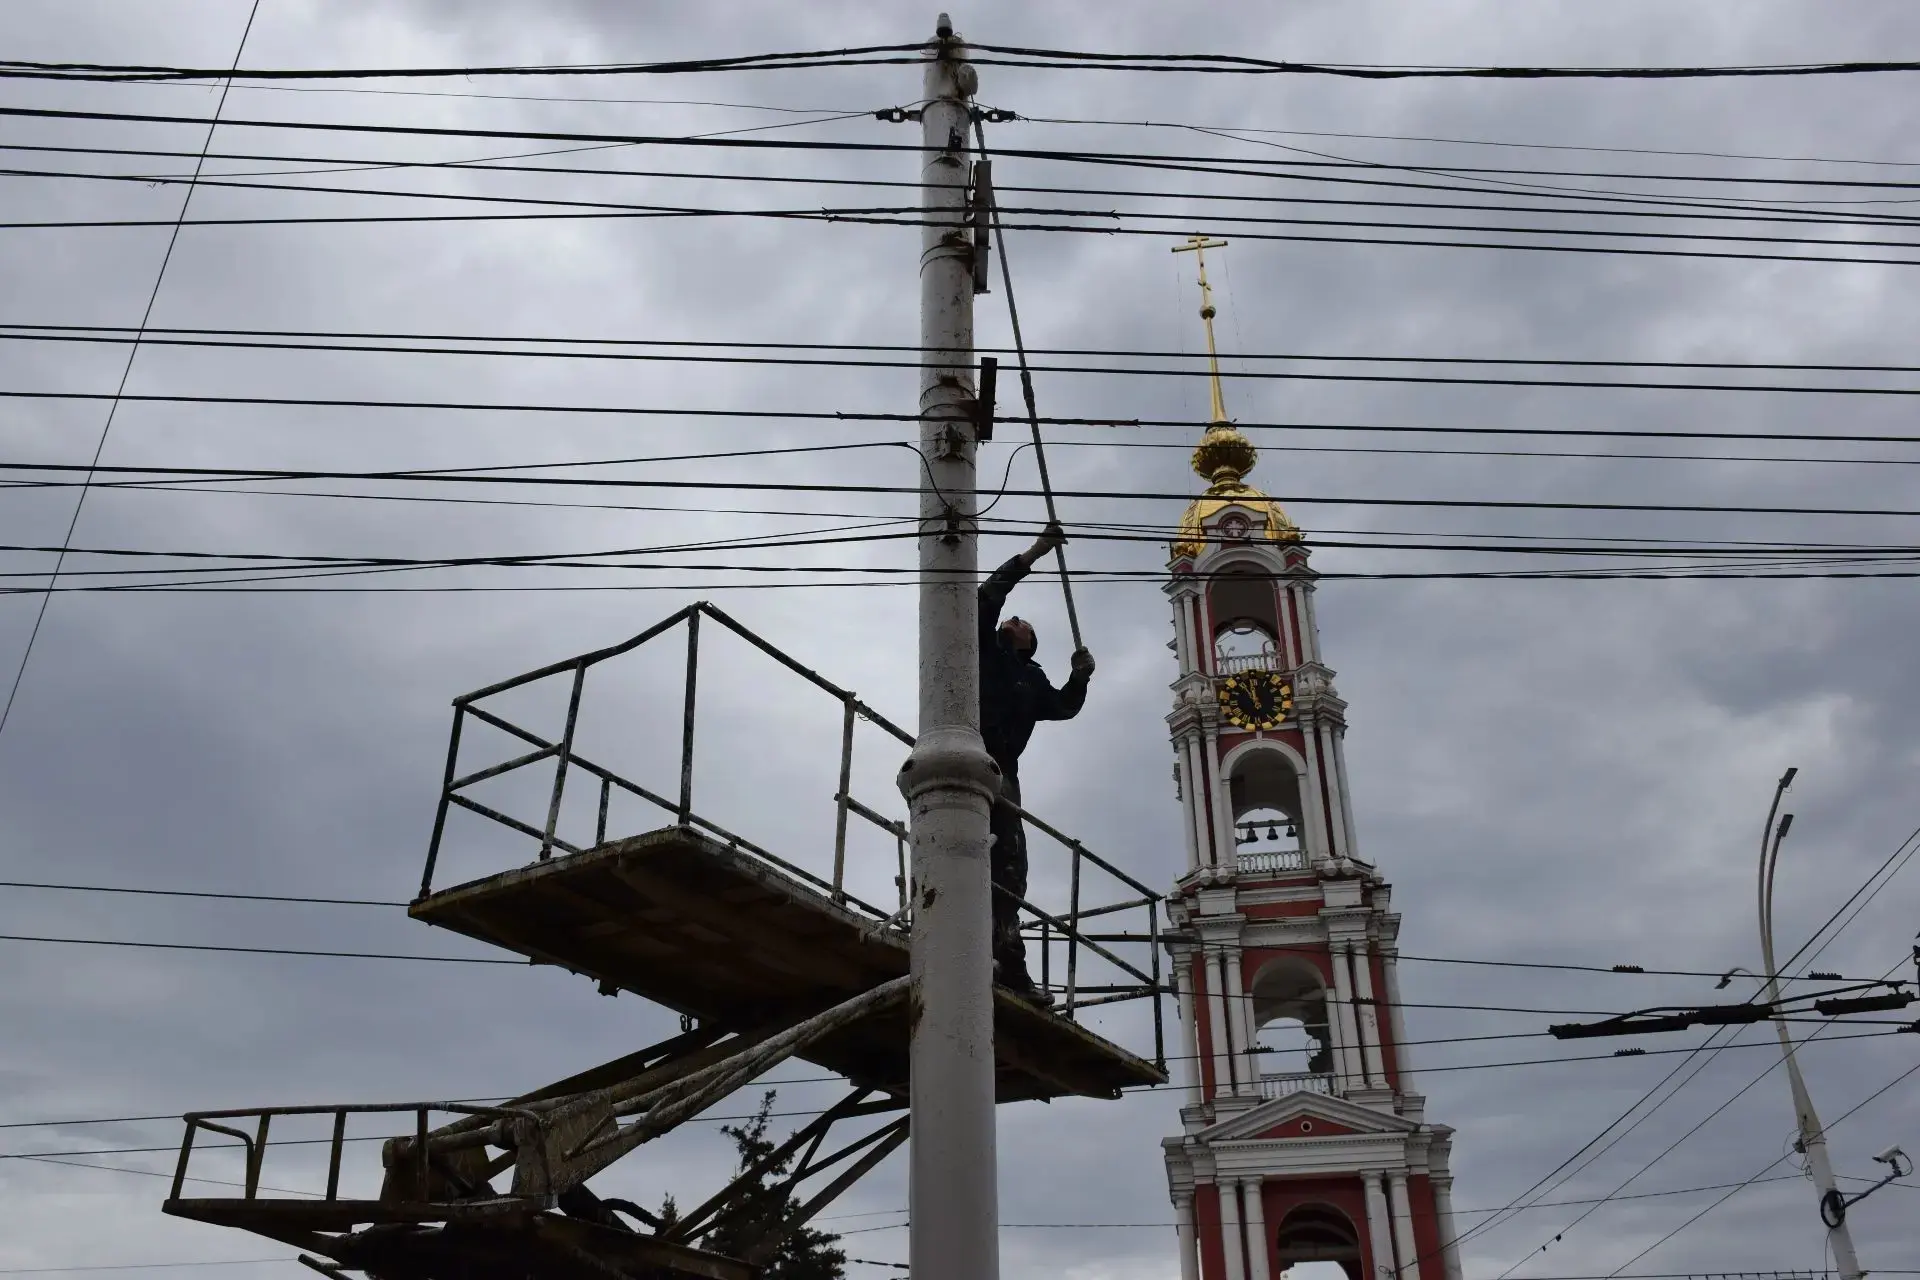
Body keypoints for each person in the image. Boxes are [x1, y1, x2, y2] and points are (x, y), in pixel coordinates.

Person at [978, 521, 1095, 1004]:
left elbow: (1064, 706)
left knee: (1009, 868)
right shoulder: (982, 648)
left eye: (1021, 623)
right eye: (1011, 620)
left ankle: (1009, 965)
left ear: (1029, 642)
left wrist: (1080, 677)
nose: (1014, 620)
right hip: (972, 753)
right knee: (964, 852)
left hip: (1004, 771)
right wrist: (1035, 553)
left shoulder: (1031, 680)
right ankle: (972, 944)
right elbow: (989, 596)